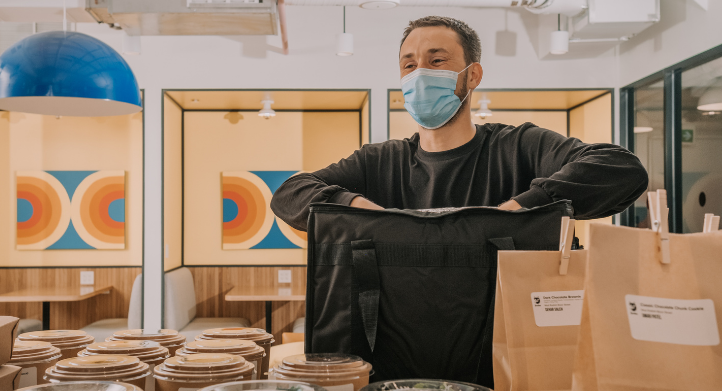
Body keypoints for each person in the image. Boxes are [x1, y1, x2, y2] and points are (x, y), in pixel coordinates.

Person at [271, 16, 648, 231]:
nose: (420, 74)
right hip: (399, 336)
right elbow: (290, 193)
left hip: (503, 339)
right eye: (409, 65)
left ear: (473, 75)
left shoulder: (519, 148)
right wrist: (368, 213)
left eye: (437, 61)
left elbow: (620, 169)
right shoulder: (380, 162)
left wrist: (518, 210)